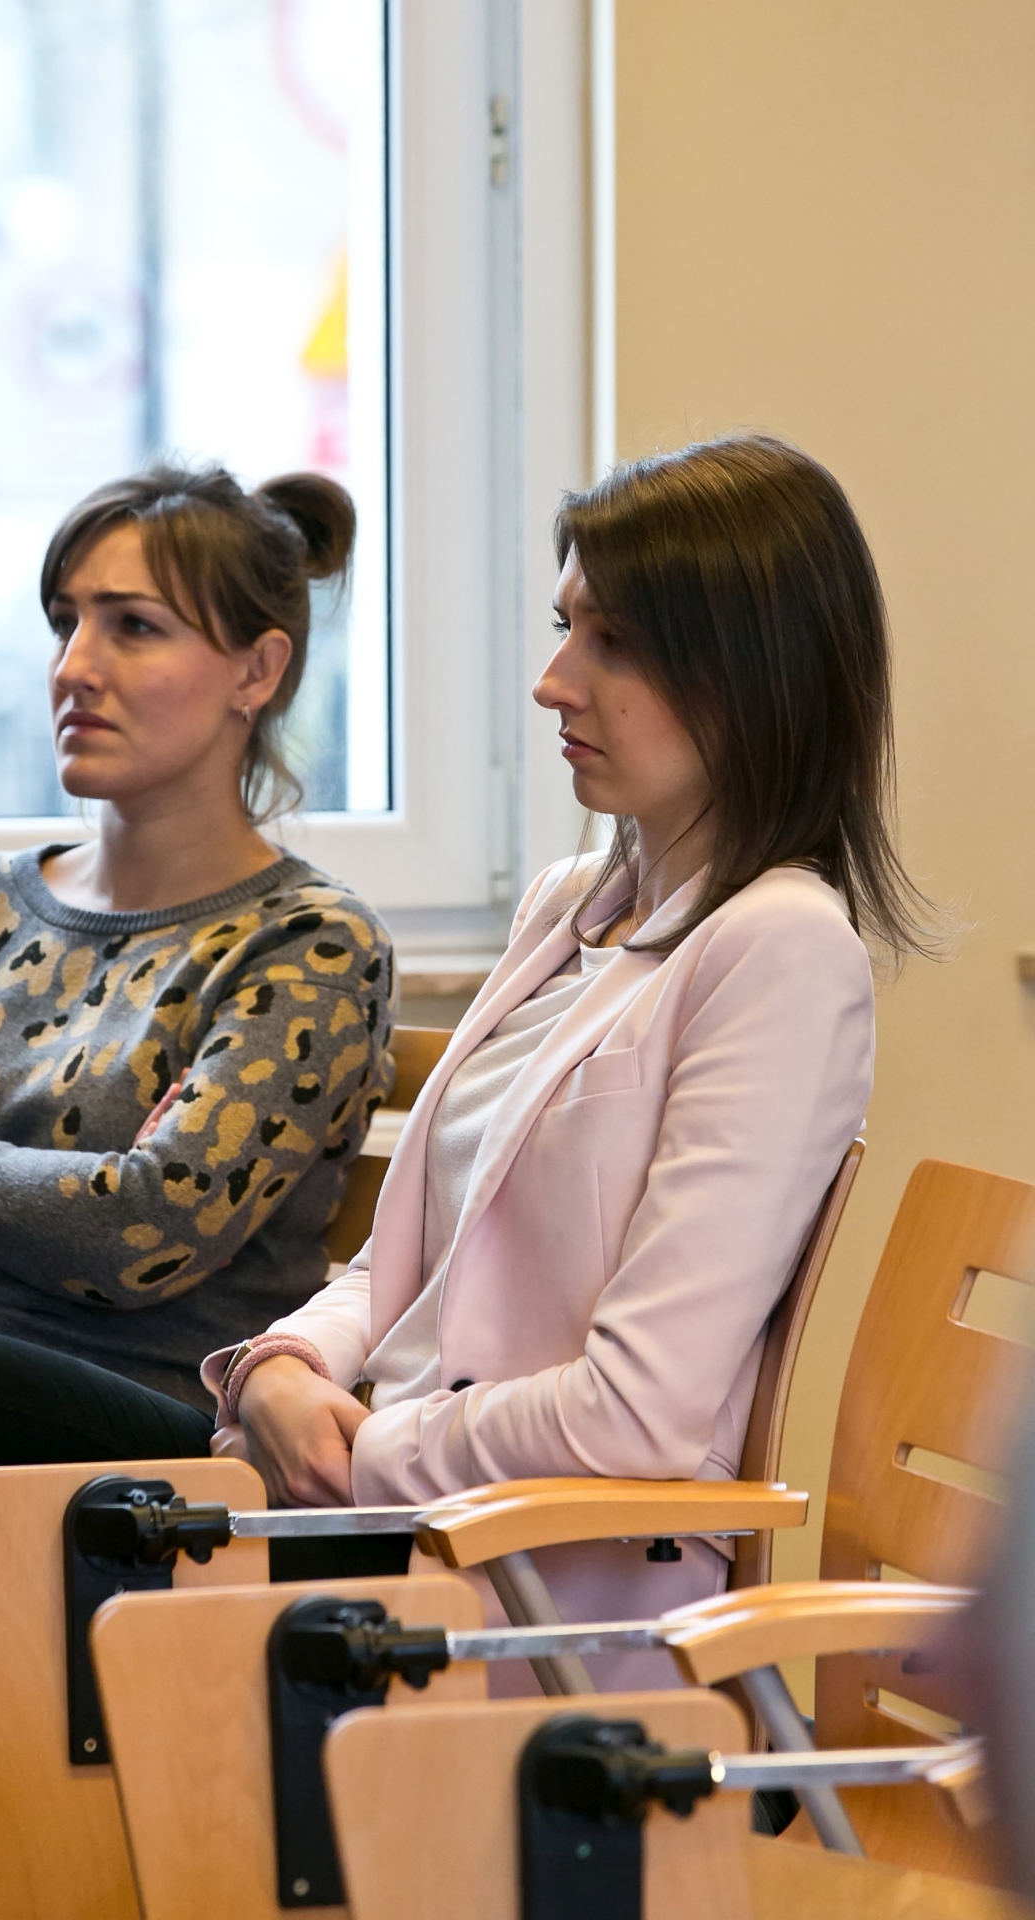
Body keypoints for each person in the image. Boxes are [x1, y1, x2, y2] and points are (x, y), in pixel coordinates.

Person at [0, 462, 393, 1916]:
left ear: (257, 671)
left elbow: (147, 1236)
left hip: (150, 1491)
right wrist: (63, 1221)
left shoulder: (303, 947)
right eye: (65, 621)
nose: (74, 667)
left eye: (132, 627)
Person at [210, 433, 927, 1687]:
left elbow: (637, 1412)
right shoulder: (566, 904)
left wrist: (362, 1448)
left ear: (755, 671)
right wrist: (284, 1365)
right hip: (395, 1523)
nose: (553, 684)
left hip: (530, 1583)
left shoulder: (780, 947)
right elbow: (407, 1267)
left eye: (615, 643)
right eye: (563, 629)